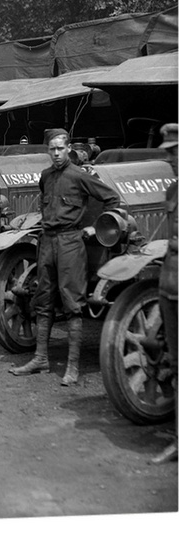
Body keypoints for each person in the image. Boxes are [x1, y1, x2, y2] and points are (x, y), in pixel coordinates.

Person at [8, 128, 121, 385]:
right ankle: (41, 358)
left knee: (72, 304)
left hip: (71, 242)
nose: (56, 154)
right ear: (47, 150)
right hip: (47, 242)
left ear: (68, 148)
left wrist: (95, 227)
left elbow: (112, 199)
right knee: (44, 300)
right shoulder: (46, 176)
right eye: (52, 149)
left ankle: (72, 367)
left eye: (60, 148)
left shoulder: (79, 175)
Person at [152, 122, 177, 463]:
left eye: (176, 152)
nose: (172, 159)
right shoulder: (171, 191)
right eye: (169, 154)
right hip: (171, 285)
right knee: (174, 363)